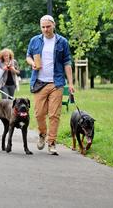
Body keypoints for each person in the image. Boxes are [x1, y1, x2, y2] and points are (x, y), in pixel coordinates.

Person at [26, 15, 74, 155]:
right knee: (39, 113)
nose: (46, 29)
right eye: (43, 27)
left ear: (54, 25)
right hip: (39, 82)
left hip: (56, 82)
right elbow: (28, 56)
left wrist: (70, 83)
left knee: (54, 115)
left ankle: (51, 142)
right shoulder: (35, 40)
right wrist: (32, 63)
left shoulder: (62, 42)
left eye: (48, 26)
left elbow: (67, 63)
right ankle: (42, 133)